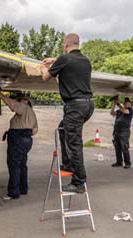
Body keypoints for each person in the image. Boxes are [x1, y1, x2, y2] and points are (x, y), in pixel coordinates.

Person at [39, 33, 94, 193]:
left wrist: (43, 67)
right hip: (88, 105)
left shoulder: (64, 59)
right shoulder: (85, 61)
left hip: (75, 106)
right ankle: (69, 163)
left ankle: (79, 182)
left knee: (74, 143)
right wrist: (54, 60)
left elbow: (46, 77)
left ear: (65, 44)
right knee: (63, 129)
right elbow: (69, 62)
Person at [0, 91, 38, 200]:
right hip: (26, 139)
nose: (17, 101)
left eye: (20, 99)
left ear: (25, 101)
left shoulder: (24, 107)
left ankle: (14, 192)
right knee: (22, 165)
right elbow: (35, 130)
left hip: (18, 139)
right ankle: (23, 188)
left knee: (14, 165)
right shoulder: (31, 113)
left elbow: (12, 104)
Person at [110, 97, 133, 169]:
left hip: (124, 131)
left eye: (127, 102)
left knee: (124, 148)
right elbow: (112, 113)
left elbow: (124, 111)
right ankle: (119, 162)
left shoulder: (130, 110)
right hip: (117, 131)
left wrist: (117, 103)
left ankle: (127, 163)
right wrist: (114, 104)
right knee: (117, 147)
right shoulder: (120, 110)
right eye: (125, 102)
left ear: (130, 103)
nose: (126, 103)